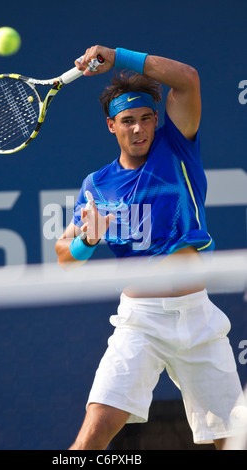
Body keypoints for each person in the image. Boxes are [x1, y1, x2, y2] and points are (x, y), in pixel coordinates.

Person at [55, 45, 246, 450]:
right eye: (128, 121)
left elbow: (188, 78)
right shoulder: (97, 185)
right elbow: (64, 257)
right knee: (95, 429)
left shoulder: (177, 146)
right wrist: (88, 240)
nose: (138, 129)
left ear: (156, 119)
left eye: (145, 119)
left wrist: (117, 56)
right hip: (140, 323)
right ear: (112, 126)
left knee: (233, 442)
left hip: (198, 318)